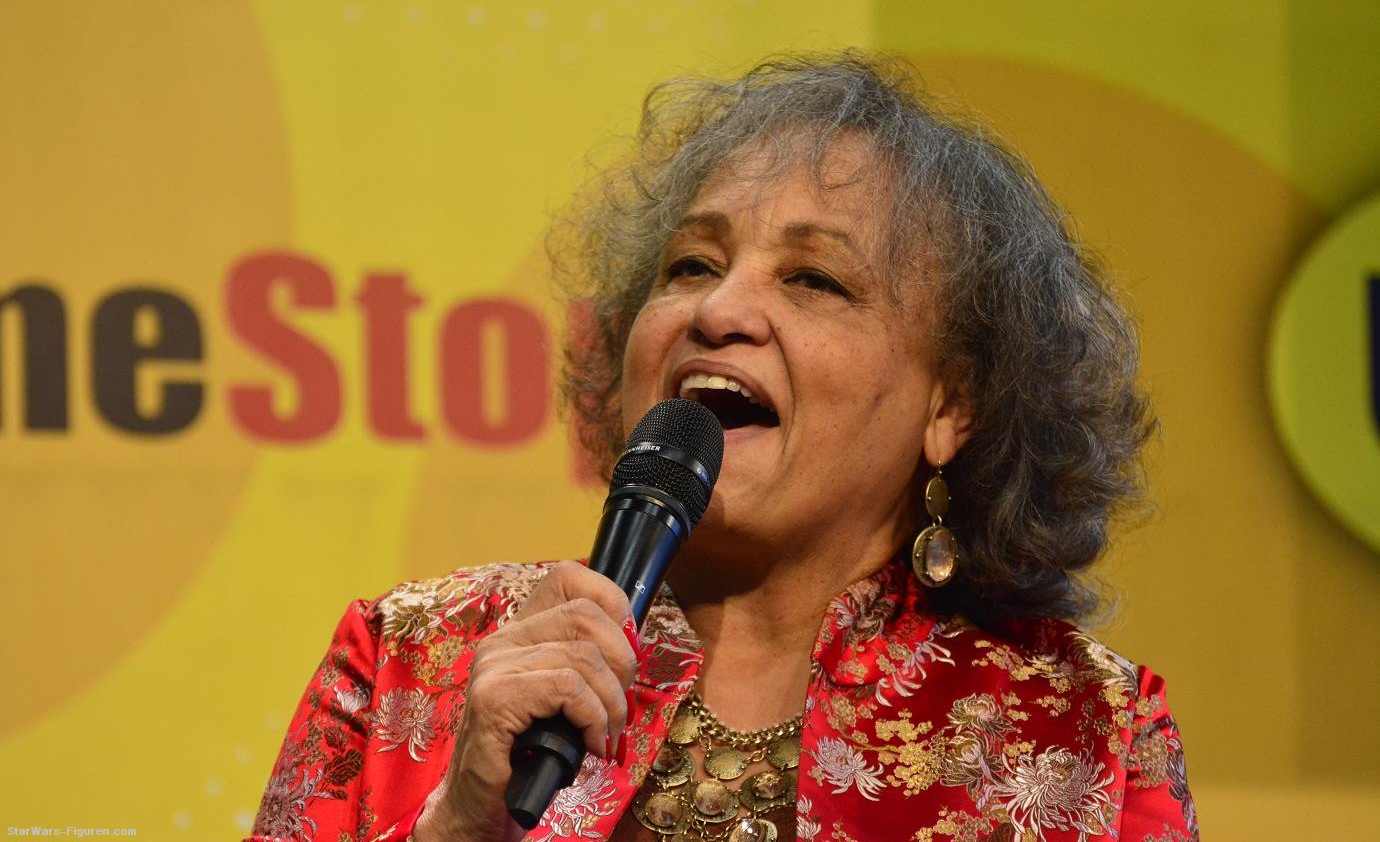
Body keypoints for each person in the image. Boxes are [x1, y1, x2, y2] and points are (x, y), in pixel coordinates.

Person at [248, 52, 1197, 842]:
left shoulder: (1090, 734)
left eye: (815, 280)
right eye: (691, 265)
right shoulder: (406, 659)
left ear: (953, 405)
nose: (718, 309)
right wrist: (460, 825)